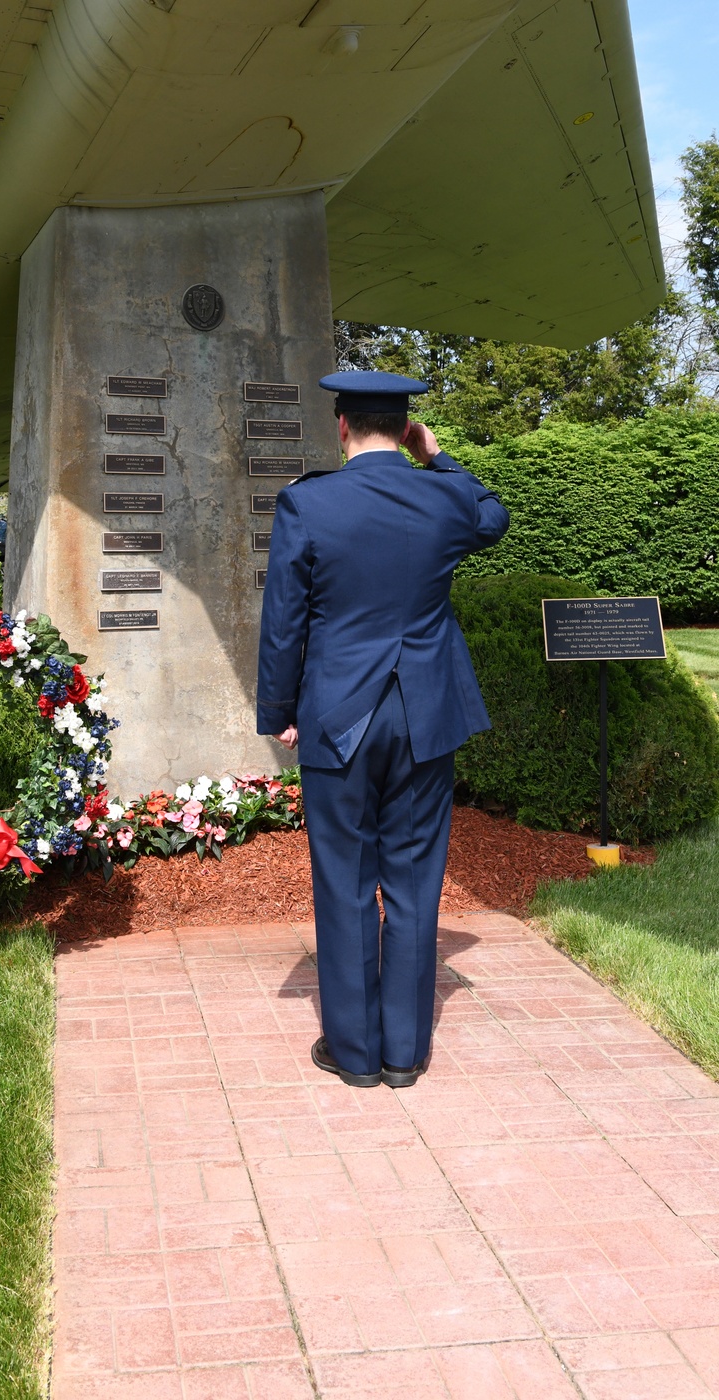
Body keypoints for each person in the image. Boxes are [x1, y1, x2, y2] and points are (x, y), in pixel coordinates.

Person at [256, 370, 509, 1089]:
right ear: (404, 429)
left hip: (339, 714)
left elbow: (284, 624)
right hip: (426, 713)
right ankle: (406, 1052)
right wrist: (439, 459)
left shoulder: (309, 503)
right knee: (415, 880)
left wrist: (278, 713)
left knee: (342, 881)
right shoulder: (443, 498)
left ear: (341, 428)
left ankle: (355, 1053)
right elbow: (495, 518)